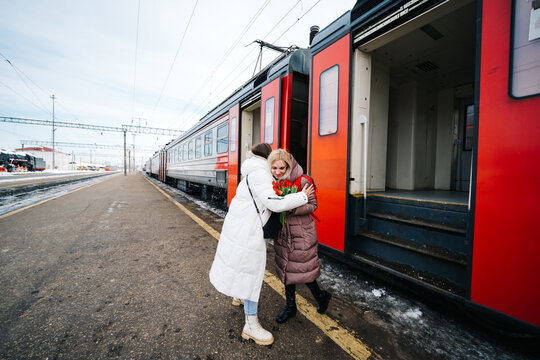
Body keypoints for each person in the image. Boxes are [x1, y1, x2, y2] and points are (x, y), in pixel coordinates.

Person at [209, 143, 315, 346]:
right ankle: (251, 325)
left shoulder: (251, 171)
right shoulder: (260, 175)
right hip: (248, 234)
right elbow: (273, 202)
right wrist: (303, 196)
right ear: (267, 159)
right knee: (251, 273)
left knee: (240, 266)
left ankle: (238, 297)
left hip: (238, 229)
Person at [267, 149, 331, 324]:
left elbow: (313, 205)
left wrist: (291, 208)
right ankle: (291, 307)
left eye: (281, 168)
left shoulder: (302, 180)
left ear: (289, 165)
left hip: (301, 233)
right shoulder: (273, 182)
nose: (278, 172)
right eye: (274, 168)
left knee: (302, 270)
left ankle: (321, 296)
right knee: (288, 269)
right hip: (284, 233)